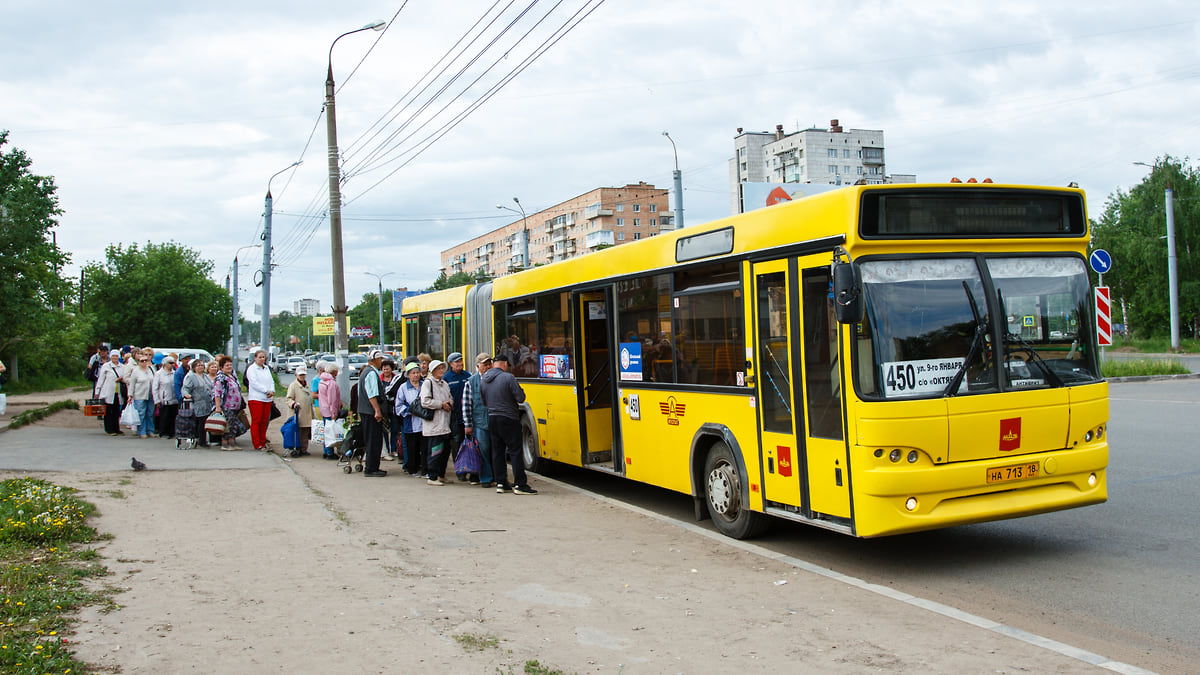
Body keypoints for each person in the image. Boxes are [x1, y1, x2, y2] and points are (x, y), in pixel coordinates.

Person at [480, 354, 536, 494]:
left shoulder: (484, 380)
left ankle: (501, 482)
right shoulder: (508, 378)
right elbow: (520, 397)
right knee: (515, 451)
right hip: (509, 418)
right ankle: (520, 484)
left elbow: (483, 402)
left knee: (498, 451)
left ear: (494, 364)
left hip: (492, 418)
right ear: (505, 364)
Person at [461, 352, 495, 487]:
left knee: (497, 450)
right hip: (479, 422)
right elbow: (466, 405)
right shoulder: (471, 382)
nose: (487, 367)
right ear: (478, 366)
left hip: (494, 420)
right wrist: (468, 424)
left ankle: (498, 477)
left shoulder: (496, 378)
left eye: (489, 364)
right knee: (483, 450)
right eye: (484, 365)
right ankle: (486, 478)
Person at [419, 359, 453, 485]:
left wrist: (449, 403)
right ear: (432, 371)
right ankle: (432, 477)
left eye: (442, 368)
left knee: (445, 452)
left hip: (445, 423)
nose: (441, 371)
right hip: (434, 424)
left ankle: (441, 475)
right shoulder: (428, 383)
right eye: (438, 369)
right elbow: (425, 401)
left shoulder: (444, 383)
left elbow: (450, 397)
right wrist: (441, 404)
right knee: (435, 451)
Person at [357, 349, 387, 477]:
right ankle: (371, 468)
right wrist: (377, 410)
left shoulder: (365, 372)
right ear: (375, 360)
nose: (381, 362)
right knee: (374, 440)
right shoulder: (371, 374)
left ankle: (372, 466)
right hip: (370, 412)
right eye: (380, 359)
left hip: (365, 411)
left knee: (371, 439)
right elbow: (372, 394)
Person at [443, 352, 471, 479]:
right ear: (450, 364)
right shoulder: (446, 378)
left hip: (467, 417)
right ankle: (460, 471)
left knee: (469, 444)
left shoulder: (467, 376)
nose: (460, 363)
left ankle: (470, 467)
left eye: (461, 361)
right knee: (456, 444)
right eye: (456, 362)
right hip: (454, 417)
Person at [395, 361, 425, 476]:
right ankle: (412, 468)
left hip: (424, 422)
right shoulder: (403, 388)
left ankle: (423, 467)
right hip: (410, 423)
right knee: (412, 447)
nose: (416, 375)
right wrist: (409, 411)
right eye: (413, 373)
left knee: (424, 446)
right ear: (408, 375)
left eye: (418, 372)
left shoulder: (424, 385)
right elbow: (398, 405)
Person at [212, 356, 248, 450]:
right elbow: (217, 394)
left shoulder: (232, 376)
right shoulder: (220, 378)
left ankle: (232, 443)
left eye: (230, 365)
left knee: (233, 425)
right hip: (226, 406)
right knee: (227, 426)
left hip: (235, 406)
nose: (229, 367)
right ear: (221, 367)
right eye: (226, 365)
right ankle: (225, 444)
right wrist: (218, 407)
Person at [245, 349, 276, 452]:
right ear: (255, 358)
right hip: (256, 398)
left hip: (267, 399)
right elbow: (254, 383)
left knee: (264, 421)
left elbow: (271, 381)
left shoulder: (266, 368)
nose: (262, 359)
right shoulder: (252, 369)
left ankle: (263, 442)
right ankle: (257, 443)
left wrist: (272, 390)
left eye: (263, 357)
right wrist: (266, 391)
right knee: (257, 421)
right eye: (260, 357)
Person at [181, 359, 214, 447]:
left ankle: (203, 439)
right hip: (197, 403)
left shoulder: (205, 376)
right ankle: (201, 440)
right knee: (200, 422)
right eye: (198, 365)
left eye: (202, 365)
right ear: (194, 367)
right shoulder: (191, 376)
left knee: (205, 422)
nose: (200, 367)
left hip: (207, 402)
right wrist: (186, 394)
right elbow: (185, 388)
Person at [95, 348, 125, 435]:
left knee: (116, 411)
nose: (115, 358)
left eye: (116, 356)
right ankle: (109, 429)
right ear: (110, 357)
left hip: (118, 392)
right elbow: (101, 379)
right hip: (108, 392)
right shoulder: (106, 366)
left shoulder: (122, 367)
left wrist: (121, 379)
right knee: (108, 412)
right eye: (113, 356)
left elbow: (125, 378)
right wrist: (97, 392)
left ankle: (116, 428)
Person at [127, 351, 156, 438]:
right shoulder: (136, 371)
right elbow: (131, 384)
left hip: (150, 395)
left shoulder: (151, 369)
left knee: (150, 413)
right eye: (141, 361)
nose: (144, 362)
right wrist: (130, 395)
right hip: (139, 395)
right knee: (141, 414)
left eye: (145, 360)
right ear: (138, 362)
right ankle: (142, 431)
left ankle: (150, 430)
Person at [285, 366, 314, 455]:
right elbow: (288, 399)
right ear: (296, 375)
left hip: (307, 413)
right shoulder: (293, 386)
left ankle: (304, 449)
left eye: (304, 375)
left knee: (305, 433)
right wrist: (294, 404)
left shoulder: (307, 385)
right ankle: (297, 448)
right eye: (300, 375)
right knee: (298, 432)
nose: (302, 376)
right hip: (298, 413)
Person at [380, 358, 403, 461]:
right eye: (384, 369)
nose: (386, 370)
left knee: (394, 429)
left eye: (387, 368)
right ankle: (387, 449)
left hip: (393, 408)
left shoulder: (396, 379)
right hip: (383, 408)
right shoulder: (379, 380)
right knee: (385, 429)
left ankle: (394, 449)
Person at [317, 362, 342, 459]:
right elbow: (332, 400)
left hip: (323, 409)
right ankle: (330, 452)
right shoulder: (331, 383)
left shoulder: (322, 381)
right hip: (329, 410)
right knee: (331, 432)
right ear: (335, 372)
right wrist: (334, 413)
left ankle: (325, 450)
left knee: (326, 431)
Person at [154, 356, 179, 439]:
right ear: (165, 364)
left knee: (173, 416)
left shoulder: (174, 373)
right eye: (170, 363)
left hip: (174, 399)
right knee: (164, 417)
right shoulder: (158, 374)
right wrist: (157, 400)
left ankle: (172, 432)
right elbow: (155, 388)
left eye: (173, 363)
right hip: (164, 399)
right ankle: (163, 432)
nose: (172, 365)